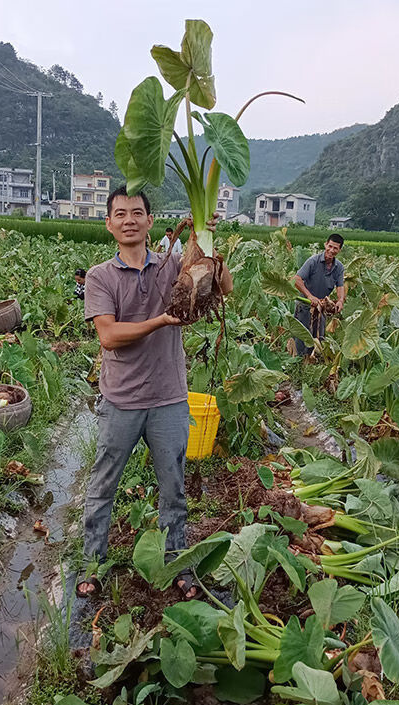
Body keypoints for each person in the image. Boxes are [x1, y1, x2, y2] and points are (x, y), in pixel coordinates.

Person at [78, 186, 231, 600]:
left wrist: (208, 246)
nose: (129, 220)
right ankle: (93, 562)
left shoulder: (173, 265)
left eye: (137, 213)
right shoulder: (100, 276)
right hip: (120, 401)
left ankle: (178, 563)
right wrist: (161, 320)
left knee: (173, 487)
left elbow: (224, 289)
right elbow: (109, 336)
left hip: (168, 400)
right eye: (121, 213)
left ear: (149, 221)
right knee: (103, 485)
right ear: (109, 223)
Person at [293, 234, 346, 356]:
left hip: (321, 306)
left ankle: (312, 362)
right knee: (302, 336)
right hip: (305, 306)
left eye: (335, 248)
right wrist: (309, 296)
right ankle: (298, 363)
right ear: (325, 244)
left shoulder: (339, 267)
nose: (332, 251)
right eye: (330, 246)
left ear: (339, 250)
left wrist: (340, 300)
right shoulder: (313, 261)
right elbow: (296, 279)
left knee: (319, 337)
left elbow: (340, 286)